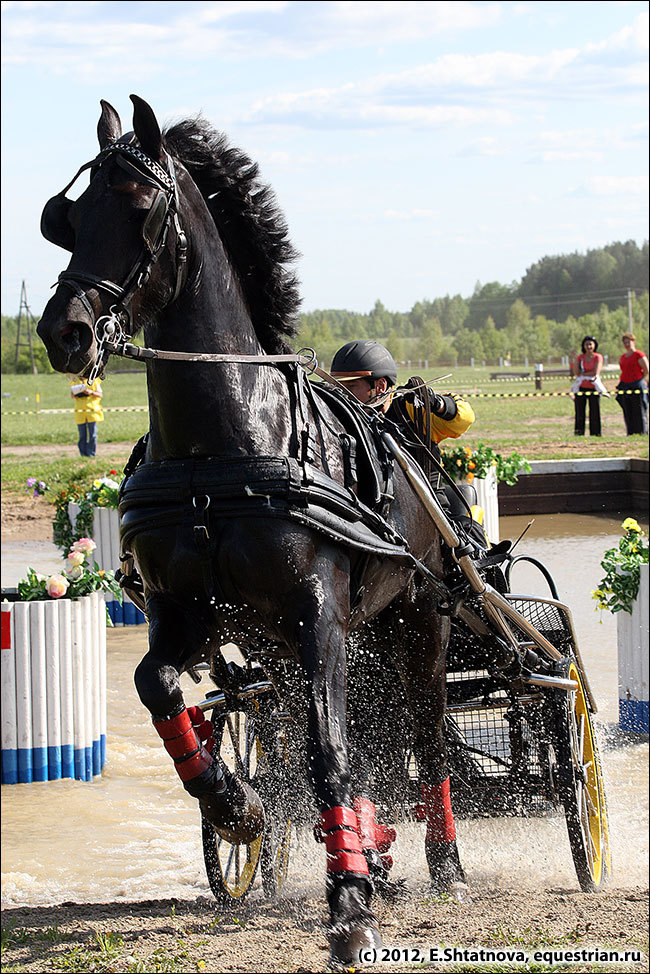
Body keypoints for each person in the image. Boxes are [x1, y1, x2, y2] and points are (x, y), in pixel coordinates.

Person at [329, 340, 481, 530]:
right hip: (367, 517)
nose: (341, 395)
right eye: (337, 387)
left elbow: (464, 419)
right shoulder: (339, 419)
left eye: (350, 387)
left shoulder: (411, 410)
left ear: (380, 386)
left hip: (431, 516)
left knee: (472, 533)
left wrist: (436, 404)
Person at [570, 336, 606, 436]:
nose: (589, 346)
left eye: (590, 344)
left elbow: (596, 372)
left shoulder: (598, 357)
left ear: (594, 345)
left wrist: (584, 374)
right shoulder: (580, 358)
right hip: (581, 387)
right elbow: (577, 373)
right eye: (586, 344)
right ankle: (579, 433)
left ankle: (596, 433)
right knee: (579, 411)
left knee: (594, 412)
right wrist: (575, 361)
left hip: (594, 388)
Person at [616, 332, 649, 435]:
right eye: (625, 342)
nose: (627, 344)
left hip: (637, 384)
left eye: (628, 342)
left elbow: (646, 369)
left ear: (633, 342)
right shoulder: (623, 357)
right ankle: (630, 432)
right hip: (625, 385)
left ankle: (642, 432)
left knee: (639, 410)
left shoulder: (638, 355)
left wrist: (640, 380)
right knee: (627, 410)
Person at [69, 375, 104, 456]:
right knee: (82, 435)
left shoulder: (94, 381)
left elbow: (100, 394)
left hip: (92, 411)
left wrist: (91, 392)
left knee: (93, 435)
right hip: (80, 412)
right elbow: (72, 395)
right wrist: (77, 392)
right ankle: (83, 454)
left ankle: (91, 454)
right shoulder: (75, 381)